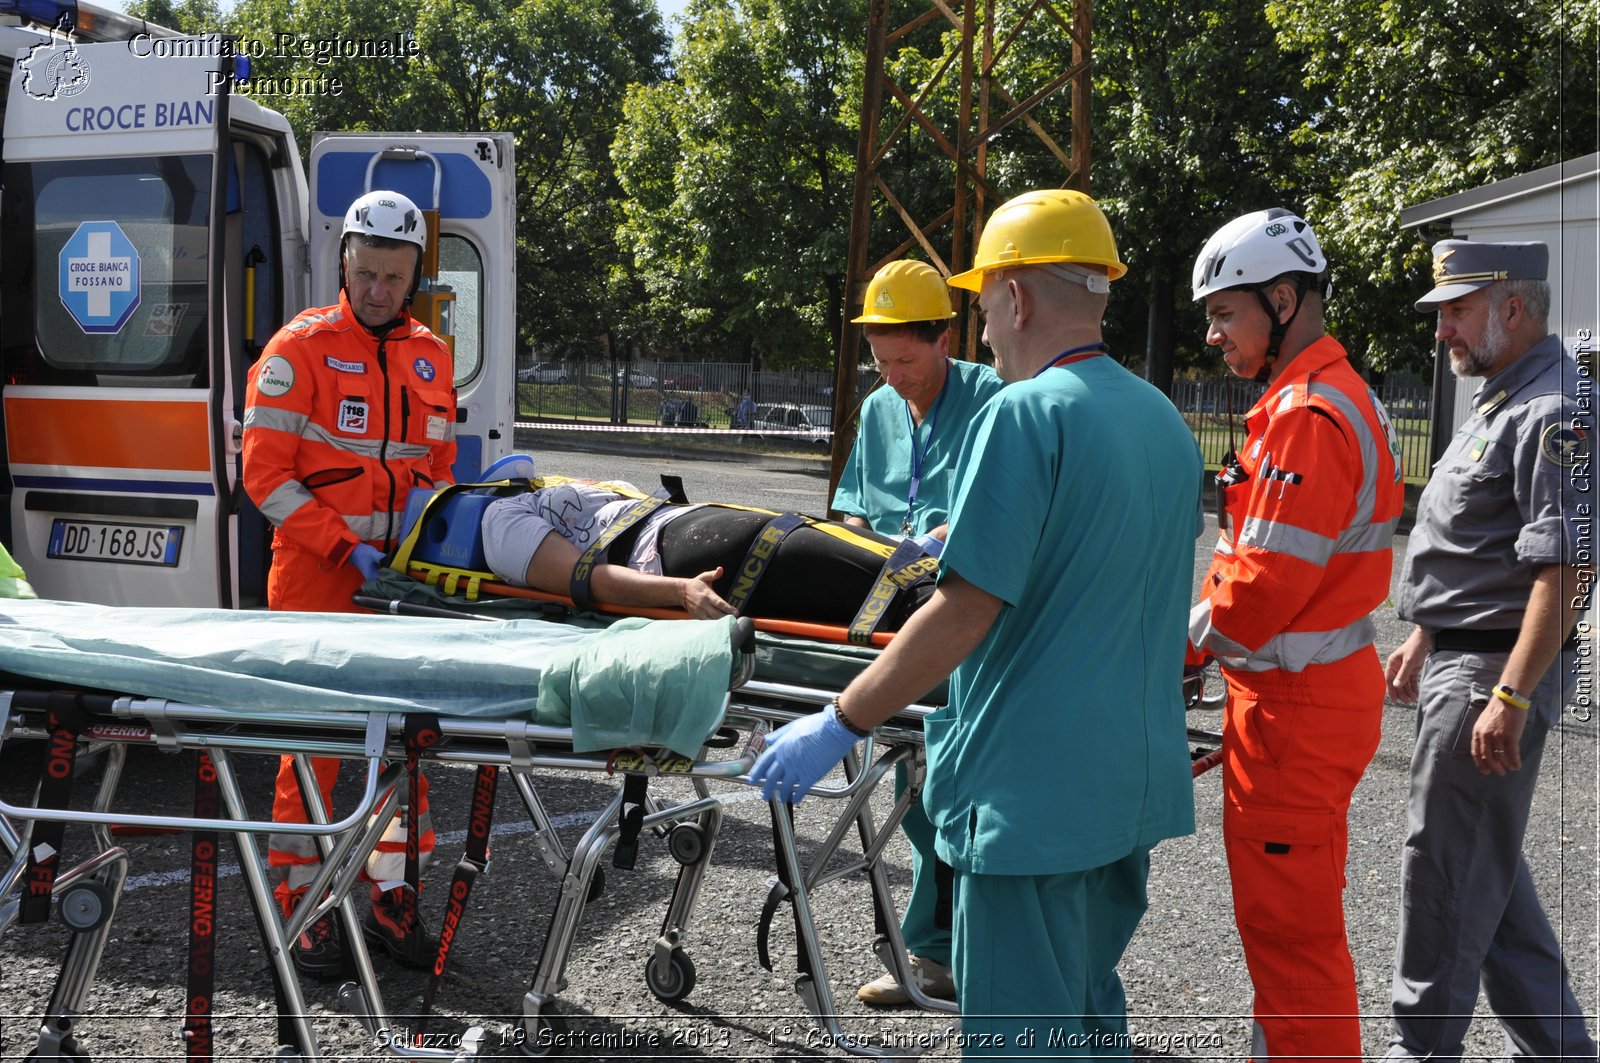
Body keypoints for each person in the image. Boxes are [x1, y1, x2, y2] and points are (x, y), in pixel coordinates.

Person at [751, 188, 1201, 1055]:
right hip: (1126, 788)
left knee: (1021, 1040)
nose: (986, 329)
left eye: (986, 302)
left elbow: (965, 610)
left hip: (1030, 802)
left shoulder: (1025, 411)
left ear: (1019, 297)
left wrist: (841, 716)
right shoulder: (1162, 422)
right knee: (1086, 1018)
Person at [1186, 208, 1404, 1060]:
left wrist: (1178, 644)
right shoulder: (1333, 396)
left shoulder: (1308, 416)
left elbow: (1261, 586)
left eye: (1223, 313)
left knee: (1291, 938)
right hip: (1307, 697)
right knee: (1295, 927)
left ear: (1282, 300)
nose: (1212, 335)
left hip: (1293, 711)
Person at [1381, 240, 1597, 1060]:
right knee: (1486, 879)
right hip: (1466, 658)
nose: (1442, 331)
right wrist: (1426, 632)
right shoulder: (1505, 398)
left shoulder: (1555, 408)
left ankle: (1418, 1048)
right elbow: (1482, 543)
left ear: (1514, 307)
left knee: (1444, 875)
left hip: (1492, 675)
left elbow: (1570, 567)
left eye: (1456, 311)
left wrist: (1508, 694)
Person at [243, 189, 456, 978]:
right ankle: (303, 909)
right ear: (342, 261)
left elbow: (437, 469)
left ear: (414, 275)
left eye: (393, 279)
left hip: (400, 592)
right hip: (315, 587)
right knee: (314, 755)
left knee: (404, 749)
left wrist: (430, 537)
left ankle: (391, 893)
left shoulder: (431, 355)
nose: (376, 291)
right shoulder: (296, 350)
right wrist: (343, 545)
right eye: (365, 273)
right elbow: (264, 479)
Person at [831, 258, 1002, 1005]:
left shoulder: (994, 398)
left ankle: (963, 958)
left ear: (945, 338)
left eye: (908, 358)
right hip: (891, 612)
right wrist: (864, 544)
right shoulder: (877, 410)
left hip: (962, 612)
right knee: (913, 788)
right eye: (882, 358)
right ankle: (936, 958)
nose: (896, 374)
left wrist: (935, 540)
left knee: (955, 790)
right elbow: (853, 510)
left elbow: (998, 512)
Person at [477, 480, 933, 630]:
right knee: (903, 584)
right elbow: (585, 580)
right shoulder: (498, 519)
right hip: (685, 556)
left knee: (895, 575)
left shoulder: (535, 494)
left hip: (701, 533)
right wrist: (682, 592)